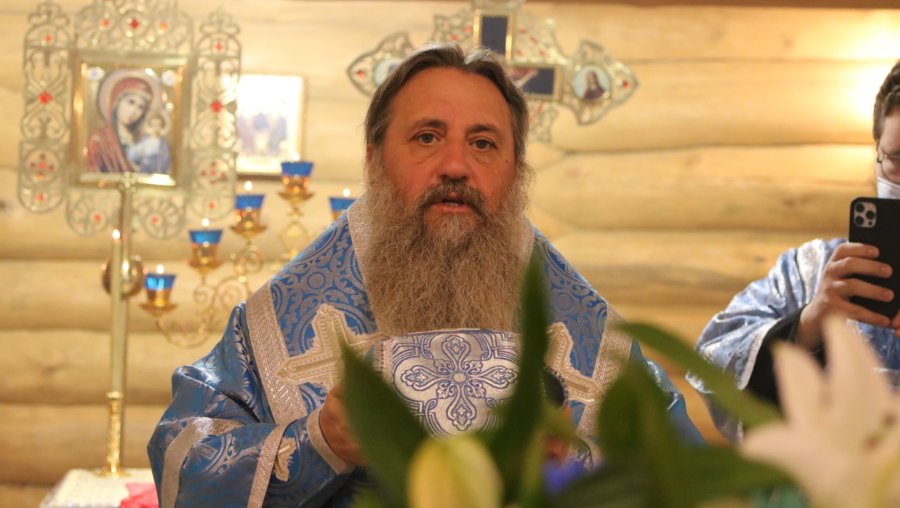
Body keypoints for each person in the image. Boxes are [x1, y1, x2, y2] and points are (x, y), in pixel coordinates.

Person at [148, 43, 701, 507]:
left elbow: (686, 477)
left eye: (483, 143)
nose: (455, 166)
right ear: (374, 159)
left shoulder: (589, 334)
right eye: (427, 137)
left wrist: (568, 466)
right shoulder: (278, 323)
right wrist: (318, 442)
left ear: (516, 171)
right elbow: (182, 460)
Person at [689, 59, 900, 443]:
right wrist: (808, 324)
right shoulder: (811, 270)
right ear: (877, 156)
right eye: (899, 160)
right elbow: (712, 362)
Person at [85, 73, 154, 173]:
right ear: (117, 101)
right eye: (130, 102)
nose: (134, 111)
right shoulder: (98, 141)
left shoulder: (142, 140)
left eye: (141, 107)